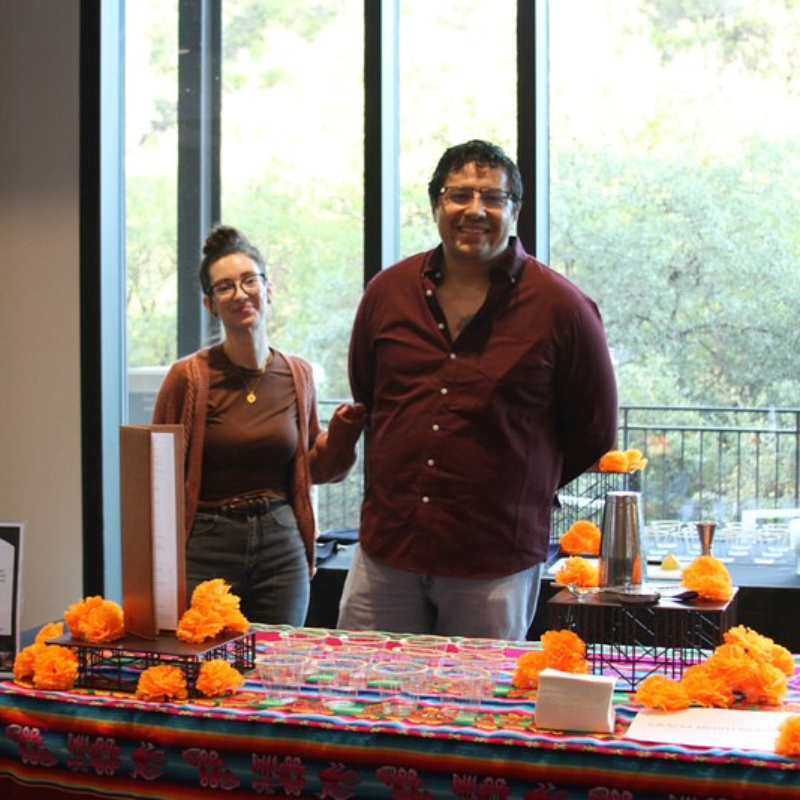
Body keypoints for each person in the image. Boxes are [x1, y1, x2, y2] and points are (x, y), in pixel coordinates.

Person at [337, 140, 618, 640]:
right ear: (435, 206)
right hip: (388, 547)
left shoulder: (563, 308)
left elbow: (593, 431)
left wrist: (519, 482)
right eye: (459, 195)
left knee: (476, 704)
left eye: (492, 197)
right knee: (367, 692)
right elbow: (371, 395)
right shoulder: (388, 292)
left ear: (515, 211)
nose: (475, 210)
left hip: (493, 555)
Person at [153, 224, 365, 626]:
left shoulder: (297, 374)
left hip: (280, 542)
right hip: (205, 543)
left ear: (269, 291)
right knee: (204, 666)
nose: (240, 293)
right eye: (225, 286)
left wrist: (343, 433)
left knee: (277, 664)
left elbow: (315, 469)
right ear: (209, 304)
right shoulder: (188, 377)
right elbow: (156, 476)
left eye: (250, 280)